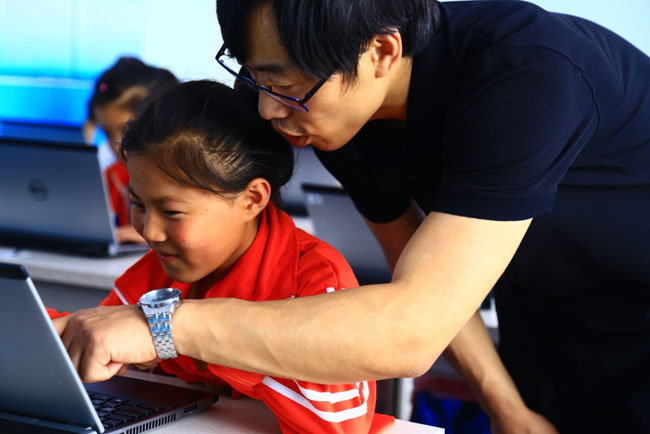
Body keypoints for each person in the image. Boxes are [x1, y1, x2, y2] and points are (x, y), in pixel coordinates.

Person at [211, 1, 648, 433]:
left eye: (284, 85)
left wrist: (178, 326)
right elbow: (414, 270)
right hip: (543, 317)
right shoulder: (336, 110)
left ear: (382, 52)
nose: (268, 109)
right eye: (257, 78)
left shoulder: (525, 73)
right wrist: (507, 409)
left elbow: (411, 327)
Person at [50, 79, 393, 434]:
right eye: (138, 204)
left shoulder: (316, 280)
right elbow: (99, 336)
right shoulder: (168, 265)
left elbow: (342, 423)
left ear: (252, 200)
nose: (150, 231)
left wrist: (186, 339)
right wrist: (55, 333)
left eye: (171, 212)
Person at [85, 57, 179, 243]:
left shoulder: (186, 181)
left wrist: (154, 239)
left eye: (126, 129)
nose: (117, 144)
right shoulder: (113, 177)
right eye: (107, 133)